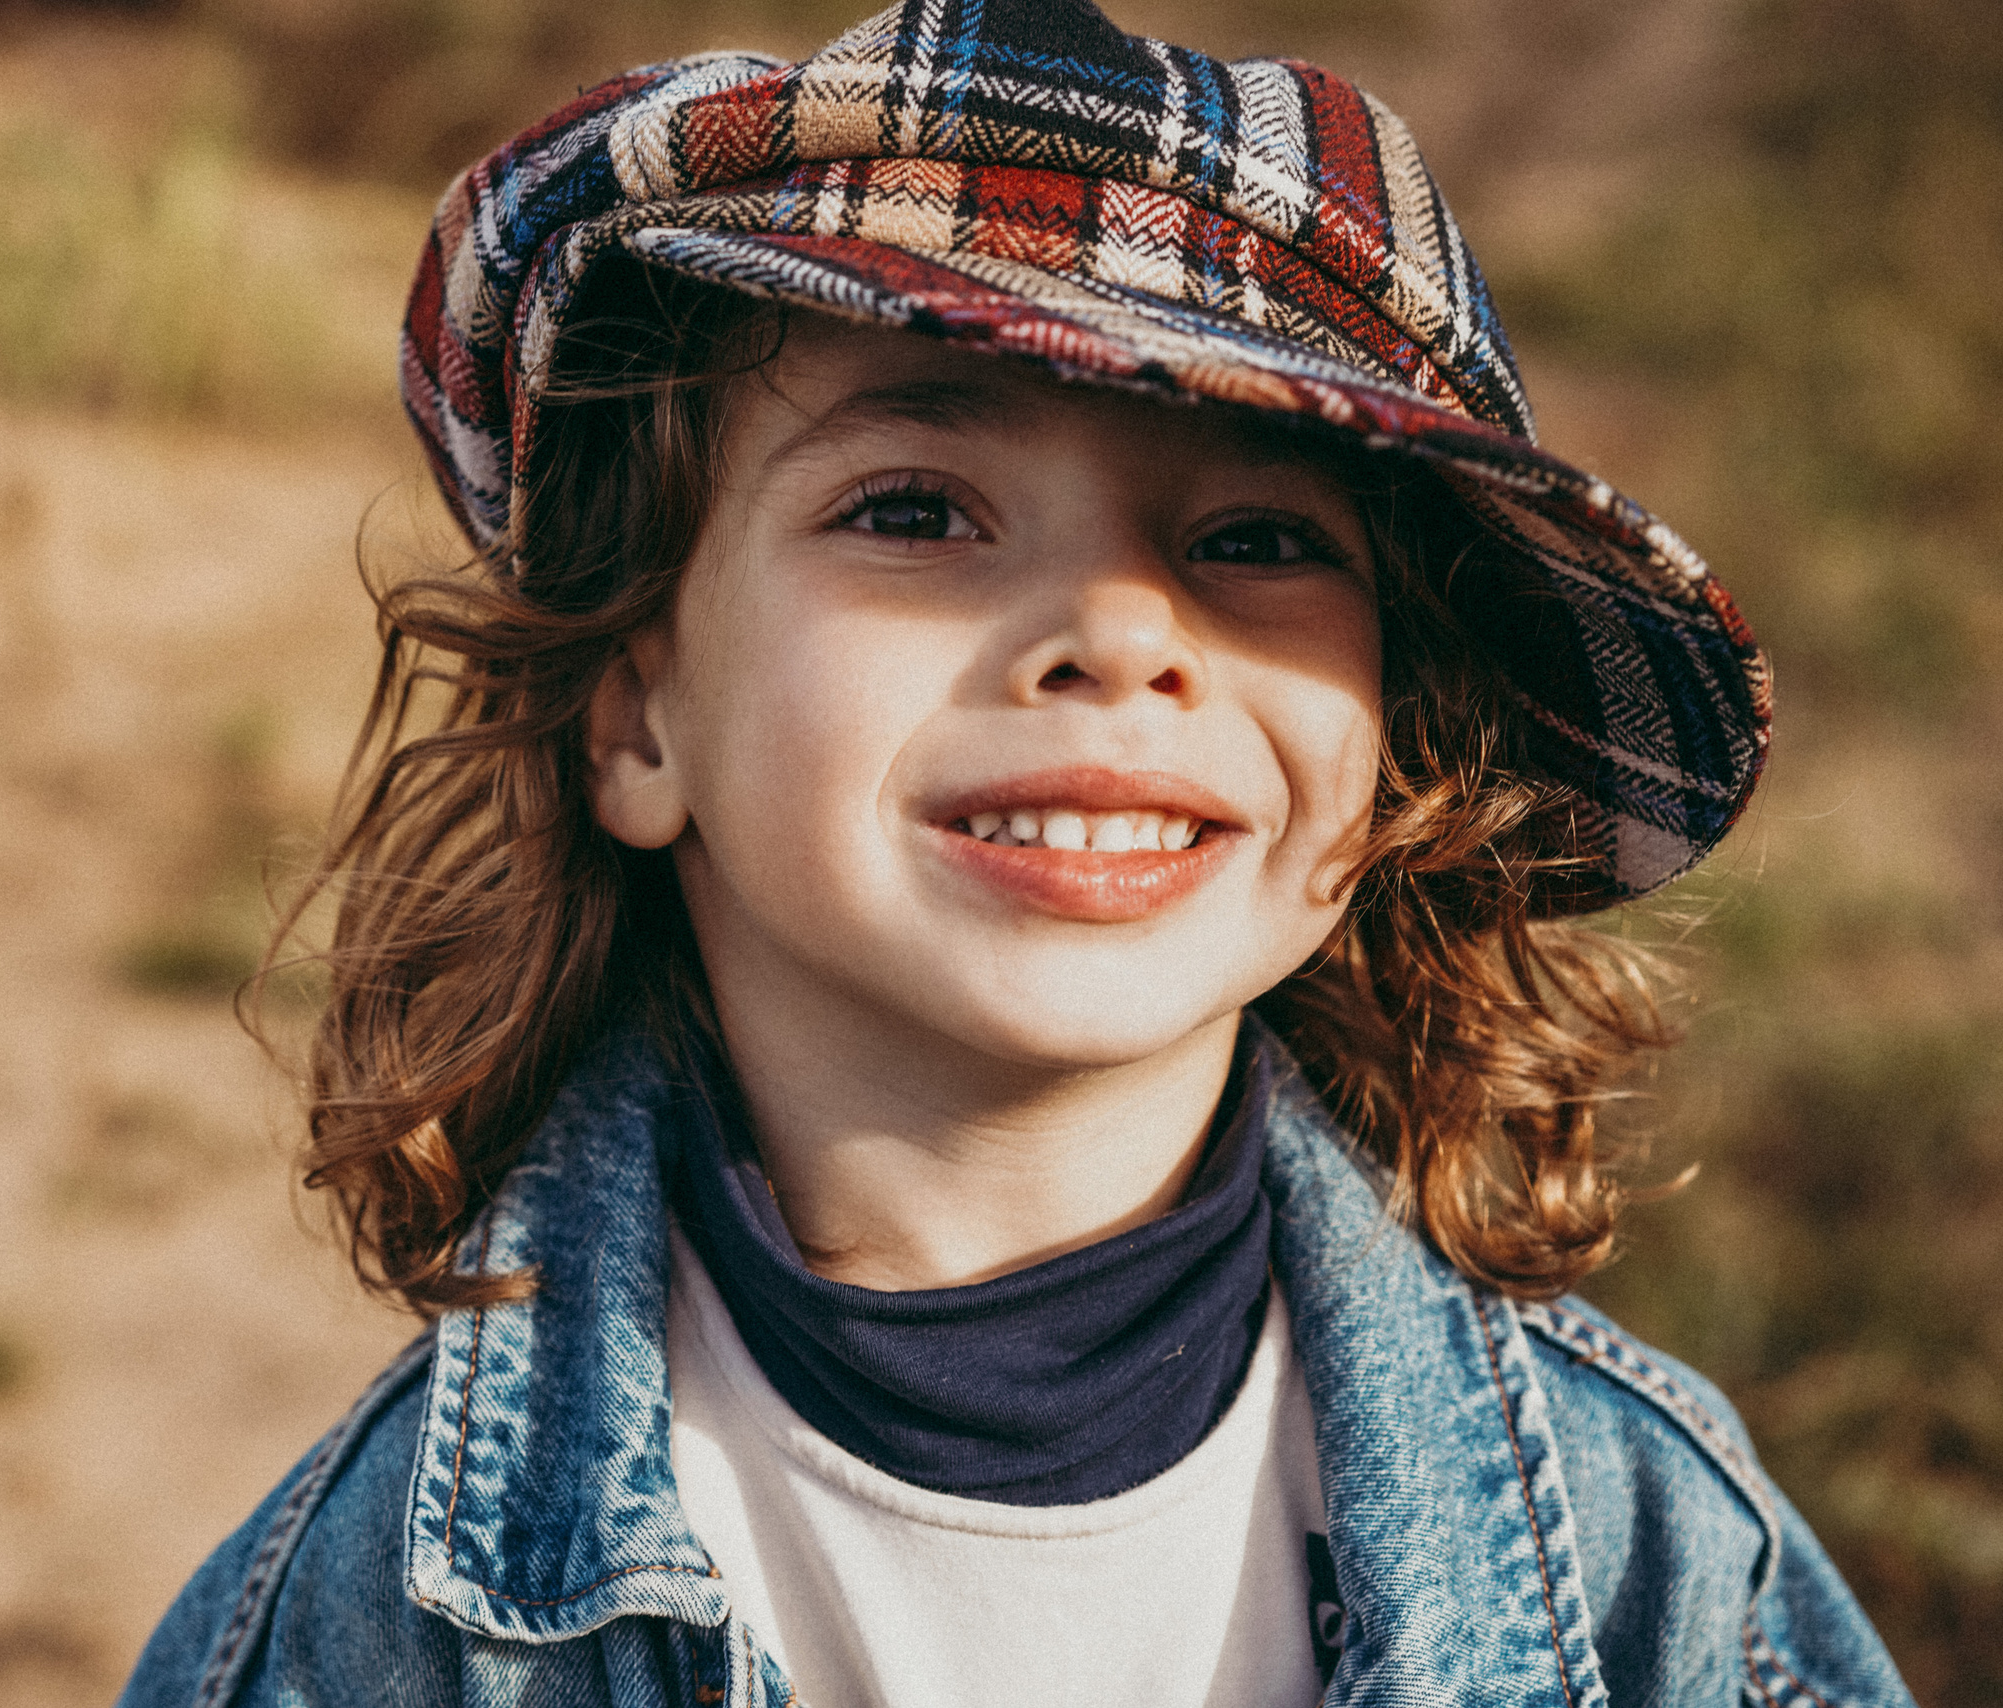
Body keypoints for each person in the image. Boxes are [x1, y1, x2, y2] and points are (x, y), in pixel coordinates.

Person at [118, 1, 1913, 1703]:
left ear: (1399, 755)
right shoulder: (366, 1628)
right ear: (638, 712)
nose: (1121, 635)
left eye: (1260, 536)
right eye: (917, 511)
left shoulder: (1648, 1557)